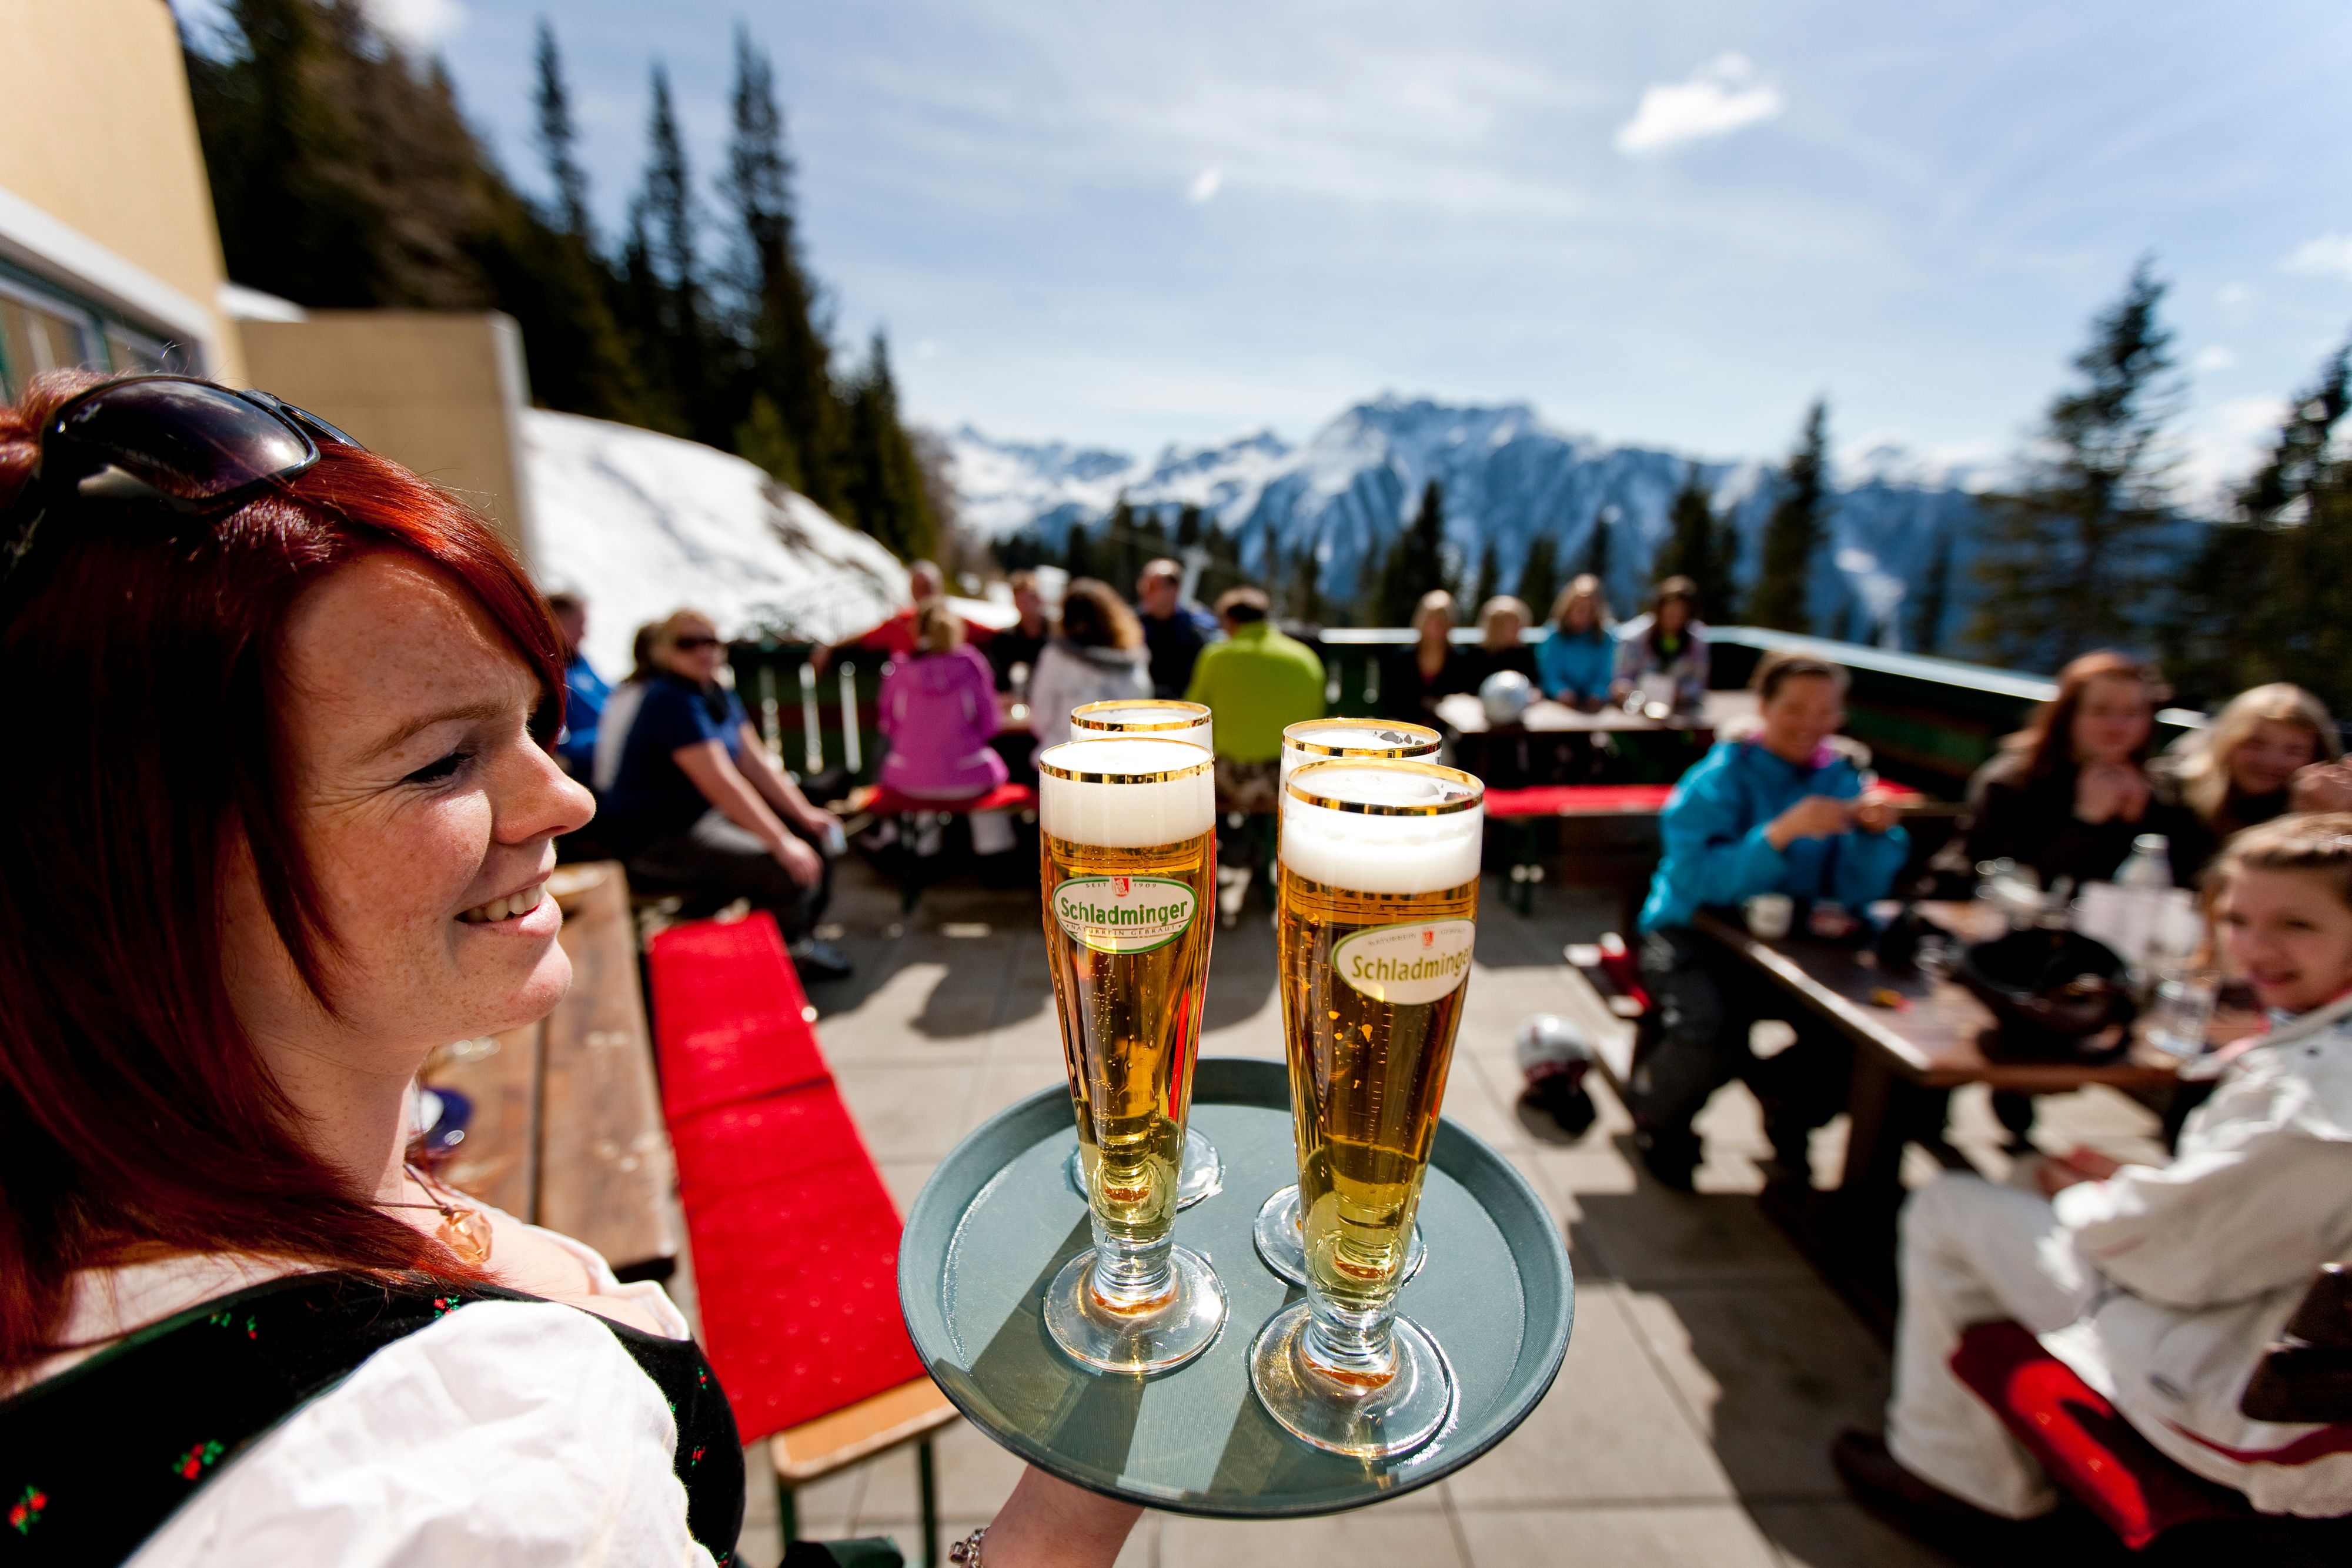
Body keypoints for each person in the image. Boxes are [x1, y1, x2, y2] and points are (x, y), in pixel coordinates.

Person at [0, 370, 1140, 1566]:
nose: (565, 795)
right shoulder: (461, 1475)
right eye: (442, 761)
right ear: (129, 865)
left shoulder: (92, 1203)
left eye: (531, 722)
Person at [1834, 811, 2352, 1539]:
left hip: (2250, 1411)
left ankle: (1957, 1483)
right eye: (2237, 919)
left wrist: (2087, 1195)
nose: (2255, 948)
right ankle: (1981, 1446)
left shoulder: (2316, 1101)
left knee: (1949, 1207)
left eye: (2296, 925)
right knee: (2016, 1183)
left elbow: (2174, 1262)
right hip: (2262, 1335)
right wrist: (2135, 1185)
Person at [1625, 651, 1910, 1189]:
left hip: (1798, 946)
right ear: (1764, 707)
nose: (1810, 723)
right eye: (1795, 708)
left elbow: (1862, 890)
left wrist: (1875, 838)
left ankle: (1788, 1104)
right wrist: (1778, 835)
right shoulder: (1719, 777)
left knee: (1863, 1040)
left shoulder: (1844, 779)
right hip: (1690, 932)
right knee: (1712, 1031)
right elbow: (1694, 879)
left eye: (1825, 711)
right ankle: (1661, 1121)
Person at [602, 610, 855, 981]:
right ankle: (774, 960)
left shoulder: (714, 691)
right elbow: (722, 782)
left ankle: (787, 947)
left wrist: (803, 814)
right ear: (665, 651)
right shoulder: (669, 699)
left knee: (813, 840)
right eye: (688, 643)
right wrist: (781, 841)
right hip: (657, 835)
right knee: (781, 868)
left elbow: (756, 764)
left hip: (699, 818)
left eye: (711, 642)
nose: (702, 651)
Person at [1960, 650, 2201, 890]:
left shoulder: (2158, 790)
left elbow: (2186, 881)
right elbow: (2005, 882)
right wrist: (2085, 822)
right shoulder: (2013, 780)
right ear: (2068, 715)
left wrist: (2139, 825)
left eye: (2133, 713)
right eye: (2101, 711)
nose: (2117, 726)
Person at [1185, 586, 1327, 912]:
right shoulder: (1304, 659)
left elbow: (1193, 719)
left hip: (1234, 780)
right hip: (1288, 781)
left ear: (1231, 622)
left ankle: (1213, 867)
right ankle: (1257, 855)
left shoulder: (1217, 657)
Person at [2154, 683, 2352, 878]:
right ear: (2226, 742)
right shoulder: (2171, 790)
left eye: (2294, 751)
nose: (2272, 761)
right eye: (2255, 744)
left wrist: (2320, 824)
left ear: (2316, 758)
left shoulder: (2326, 806)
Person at [877, 600, 1010, 801]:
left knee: (921, 813)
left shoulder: (901, 668)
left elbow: (888, 722)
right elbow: (991, 723)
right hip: (969, 773)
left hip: (908, 777)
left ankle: (904, 833)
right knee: (990, 812)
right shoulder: (971, 664)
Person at [1026, 578, 1151, 751]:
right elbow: (1142, 705)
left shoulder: (1057, 657)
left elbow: (1041, 717)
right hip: (1119, 755)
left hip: (1067, 758)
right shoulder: (1133, 657)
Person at [811, 558, 990, 673]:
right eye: (918, 588)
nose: (924, 595)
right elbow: (865, 637)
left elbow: (997, 636)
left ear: (940, 589)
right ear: (911, 592)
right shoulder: (901, 623)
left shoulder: (956, 622)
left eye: (928, 588)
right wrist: (830, 646)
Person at [1382, 589, 1481, 726]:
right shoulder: (1403, 659)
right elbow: (1394, 703)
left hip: (1448, 734)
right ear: (1421, 621)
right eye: (1432, 619)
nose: (1437, 626)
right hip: (1409, 730)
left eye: (1443, 621)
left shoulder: (1462, 660)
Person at [1612, 576, 1710, 711]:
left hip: (1681, 714)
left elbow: (1699, 683)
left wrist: (1682, 693)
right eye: (1670, 614)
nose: (1674, 620)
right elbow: (1622, 679)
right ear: (1659, 609)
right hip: (1637, 712)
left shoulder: (1697, 640)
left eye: (1681, 615)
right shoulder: (1635, 637)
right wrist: (1628, 691)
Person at [544, 589, 609, 779]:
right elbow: (555, 741)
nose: (584, 633)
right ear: (555, 622)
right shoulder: (545, 671)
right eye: (579, 625)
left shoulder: (579, 661)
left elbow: (609, 694)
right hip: (583, 769)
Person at [1136, 557, 1215, 699]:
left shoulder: (1195, 629)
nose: (1146, 592)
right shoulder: (1132, 625)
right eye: (1143, 585)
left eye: (1153, 586)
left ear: (1175, 590)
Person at [1535, 574, 1615, 710]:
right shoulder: (1554, 635)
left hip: (1592, 707)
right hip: (1557, 704)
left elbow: (1605, 674)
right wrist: (1560, 691)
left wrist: (1598, 692)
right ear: (1568, 607)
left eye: (1590, 611)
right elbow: (1549, 673)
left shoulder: (1605, 638)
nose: (1584, 616)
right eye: (1580, 609)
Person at [985, 569, 1051, 693]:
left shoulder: (1056, 640)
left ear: (1039, 600)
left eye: (1028, 601)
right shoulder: (1005, 640)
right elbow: (994, 674)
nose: (1024, 607)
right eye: (1020, 602)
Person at [1470, 594, 1538, 684]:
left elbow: (1533, 684)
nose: (1518, 629)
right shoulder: (1476, 656)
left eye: (1518, 624)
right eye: (1511, 624)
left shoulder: (1524, 656)